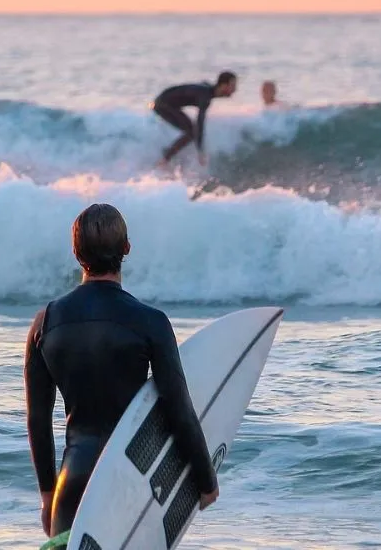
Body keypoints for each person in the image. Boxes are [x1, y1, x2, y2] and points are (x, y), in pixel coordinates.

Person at [24, 203, 219, 543]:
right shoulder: (150, 322)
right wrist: (205, 480)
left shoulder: (46, 323)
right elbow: (178, 408)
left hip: (72, 487)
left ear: (75, 252)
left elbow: (38, 421)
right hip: (129, 482)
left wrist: (47, 495)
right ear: (126, 249)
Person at [152, 71, 237, 168]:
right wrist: (200, 150)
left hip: (166, 103)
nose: (235, 90)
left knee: (191, 131)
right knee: (192, 132)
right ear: (223, 86)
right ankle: (164, 160)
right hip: (162, 104)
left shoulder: (207, 90)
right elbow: (200, 122)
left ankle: (166, 156)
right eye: (232, 86)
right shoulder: (205, 96)